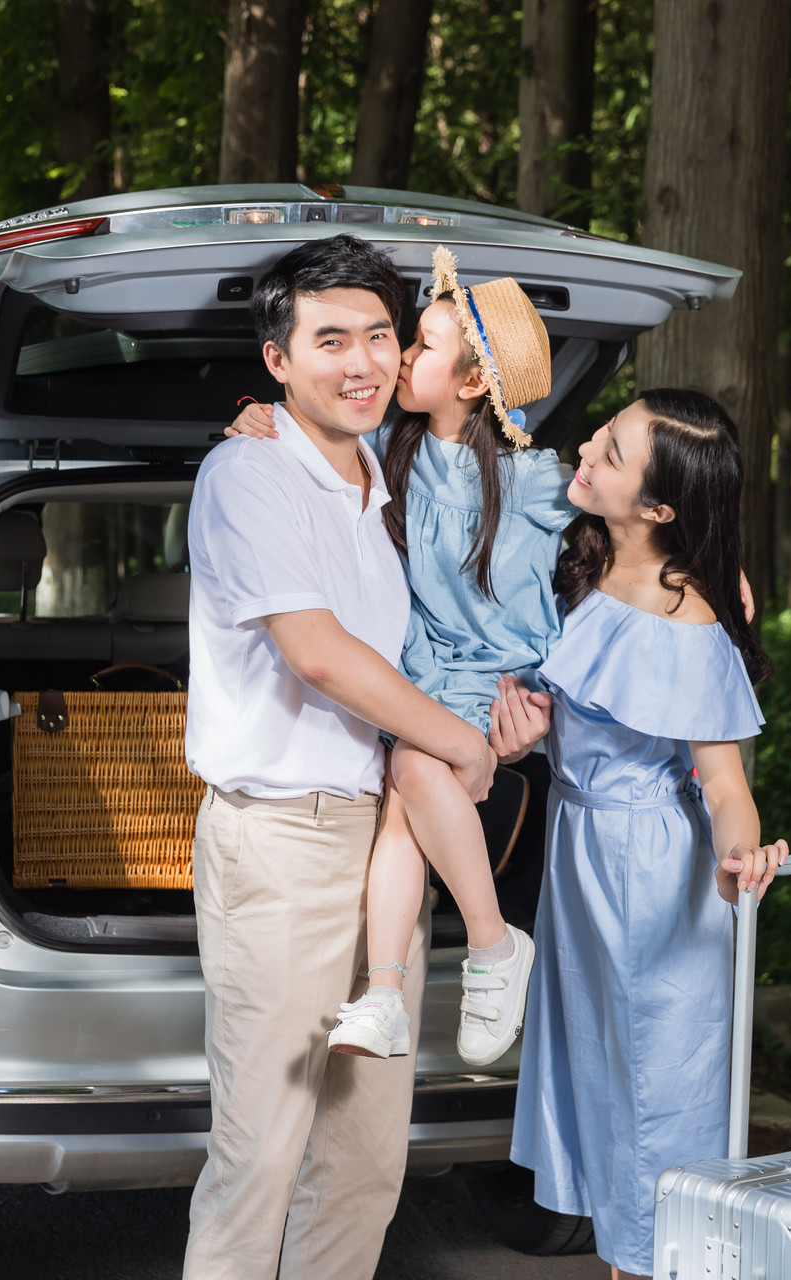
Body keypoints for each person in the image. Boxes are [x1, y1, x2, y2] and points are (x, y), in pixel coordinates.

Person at [184, 234, 513, 1279]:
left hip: (380, 844)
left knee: (367, 1161)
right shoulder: (248, 473)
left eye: (380, 335)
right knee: (262, 1155)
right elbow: (319, 654)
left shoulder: (382, 469)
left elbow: (506, 439)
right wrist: (456, 739)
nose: (363, 360)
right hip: (278, 846)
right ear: (278, 361)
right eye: (331, 339)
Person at [223, 246, 561, 1066]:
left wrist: (702, 563)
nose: (396, 359)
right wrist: (248, 414)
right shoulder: (390, 455)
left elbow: (632, 529)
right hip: (425, 679)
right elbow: (312, 451)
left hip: (497, 680)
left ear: (474, 383)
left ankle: (487, 947)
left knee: (413, 775)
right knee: (403, 815)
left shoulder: (537, 479)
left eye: (417, 347)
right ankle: (388, 992)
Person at [507, 389, 790, 1280]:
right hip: (581, 858)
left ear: (661, 508)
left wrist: (741, 853)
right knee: (601, 1086)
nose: (587, 446)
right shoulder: (584, 556)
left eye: (614, 450)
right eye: (605, 430)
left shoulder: (689, 617)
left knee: (660, 1100)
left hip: (649, 871)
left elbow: (725, 782)